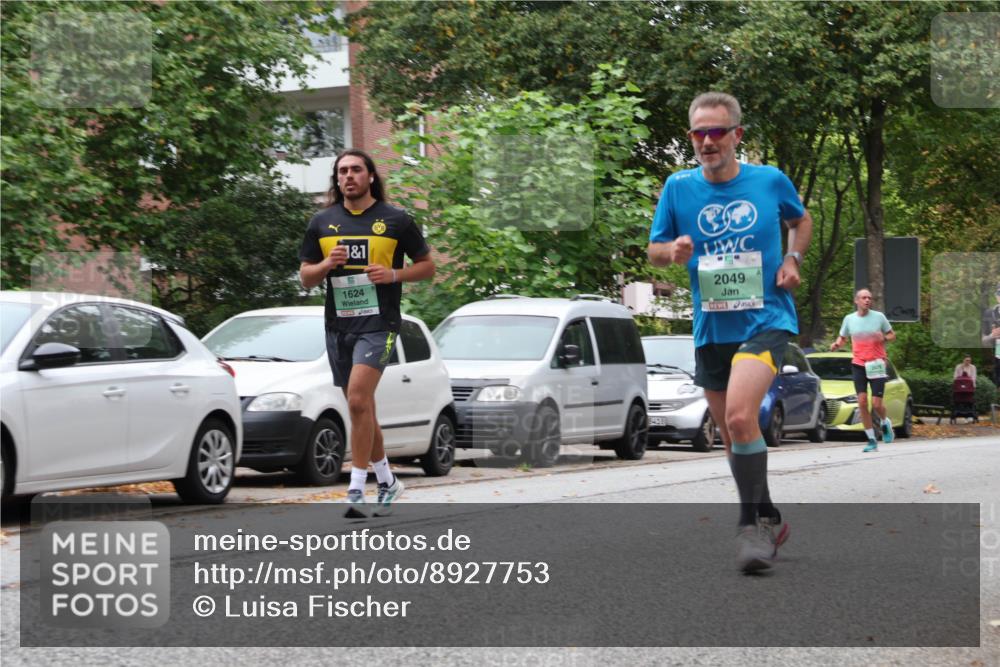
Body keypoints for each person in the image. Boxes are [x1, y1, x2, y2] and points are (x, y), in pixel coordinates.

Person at [647, 92, 813, 573]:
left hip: (765, 319)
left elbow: (799, 220)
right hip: (710, 327)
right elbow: (654, 250)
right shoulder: (678, 188)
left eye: (717, 132)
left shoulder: (768, 180)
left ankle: (750, 530)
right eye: (699, 133)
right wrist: (671, 252)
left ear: (737, 135)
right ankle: (768, 512)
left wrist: (791, 258)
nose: (707, 141)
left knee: (742, 418)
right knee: (730, 434)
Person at [299, 149, 435, 518]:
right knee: (363, 409)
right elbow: (306, 276)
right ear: (336, 178)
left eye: (356, 170)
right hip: (338, 326)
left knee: (358, 400)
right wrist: (328, 264)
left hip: (380, 324)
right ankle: (389, 481)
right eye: (342, 171)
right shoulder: (322, 222)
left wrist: (393, 275)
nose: (348, 176)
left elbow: (427, 267)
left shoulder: (395, 220)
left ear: (370, 176)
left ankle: (357, 488)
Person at [829, 288, 896, 452]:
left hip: (877, 363)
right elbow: (843, 337)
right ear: (856, 301)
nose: (867, 300)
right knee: (862, 402)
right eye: (864, 298)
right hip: (858, 363)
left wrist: (884, 338)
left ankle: (885, 422)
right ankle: (871, 439)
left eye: (869, 298)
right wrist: (837, 344)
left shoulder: (879, 317)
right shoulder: (849, 319)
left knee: (876, 403)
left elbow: (892, 335)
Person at [982, 284, 1000, 386]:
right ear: (996, 296)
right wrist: (992, 336)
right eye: (999, 293)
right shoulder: (989, 313)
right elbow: (983, 340)